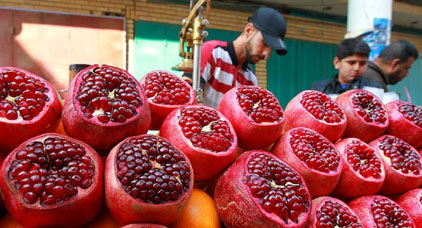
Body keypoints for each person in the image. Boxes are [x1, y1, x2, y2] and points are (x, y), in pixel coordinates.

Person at [198, 7, 288, 109]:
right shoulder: (213, 52)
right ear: (249, 30)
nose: (266, 55)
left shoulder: (251, 80)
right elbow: (190, 95)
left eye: (271, 49)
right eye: (265, 43)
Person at [312, 37, 382, 94]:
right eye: (351, 63)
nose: (356, 68)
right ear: (337, 63)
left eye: (362, 63)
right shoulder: (320, 89)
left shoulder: (373, 89)